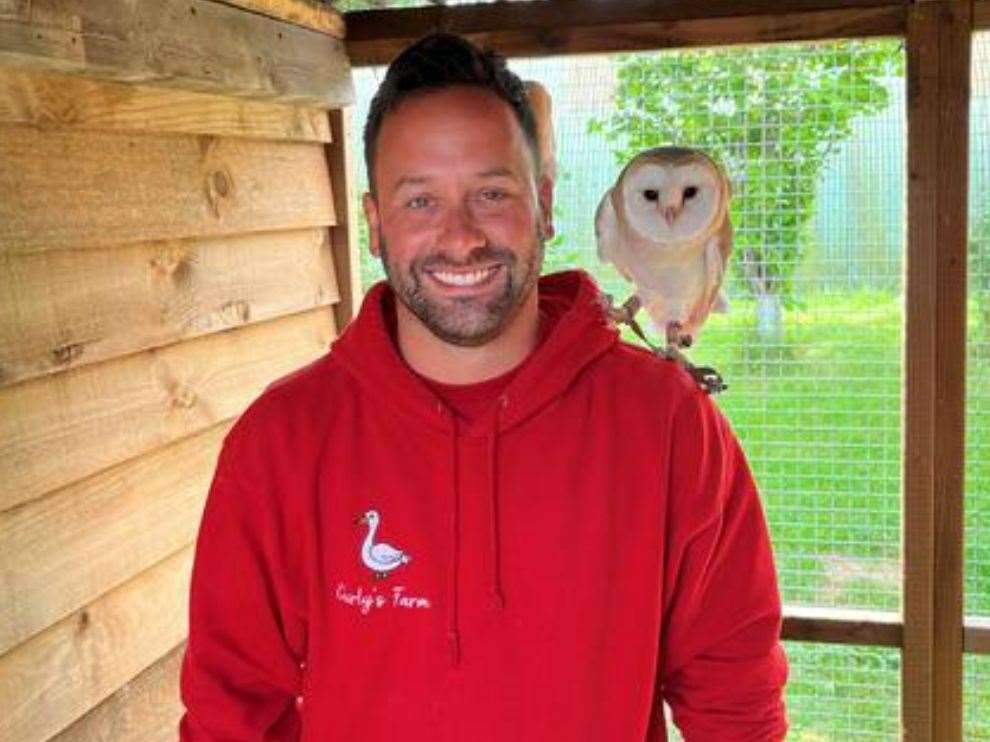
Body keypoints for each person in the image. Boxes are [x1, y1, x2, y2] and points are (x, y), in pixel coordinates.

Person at [178, 32, 788, 741]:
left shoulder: (667, 425)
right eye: (420, 202)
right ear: (375, 225)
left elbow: (735, 694)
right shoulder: (282, 442)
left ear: (545, 206)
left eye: (491, 194)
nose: (461, 237)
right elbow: (231, 713)